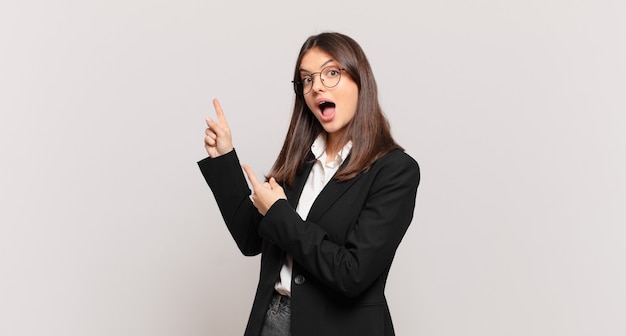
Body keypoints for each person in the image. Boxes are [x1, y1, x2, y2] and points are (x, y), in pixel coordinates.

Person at [198, 32, 420, 336]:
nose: (316, 87)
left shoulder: (395, 171)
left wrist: (280, 213)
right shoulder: (300, 160)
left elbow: (352, 273)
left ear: (359, 81)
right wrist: (224, 159)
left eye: (330, 73)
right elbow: (252, 239)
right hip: (272, 320)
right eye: (306, 79)